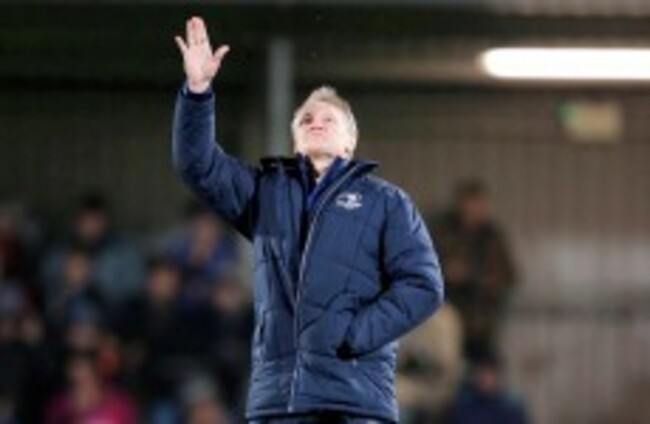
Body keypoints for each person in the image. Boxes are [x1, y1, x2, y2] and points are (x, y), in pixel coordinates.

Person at [172, 16, 444, 424]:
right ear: (295, 141)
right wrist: (197, 92)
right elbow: (198, 165)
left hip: (354, 403)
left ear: (350, 142)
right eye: (305, 119)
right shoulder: (264, 192)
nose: (315, 122)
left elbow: (423, 286)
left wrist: (353, 335)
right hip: (278, 403)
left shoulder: (387, 203)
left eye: (328, 119)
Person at [430, 180, 517, 362]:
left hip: (482, 324)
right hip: (445, 319)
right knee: (446, 367)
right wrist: (446, 273)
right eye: (469, 204)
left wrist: (472, 277)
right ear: (459, 204)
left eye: (478, 205)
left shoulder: (492, 237)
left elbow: (508, 276)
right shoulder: (441, 233)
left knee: (485, 370)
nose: (474, 210)